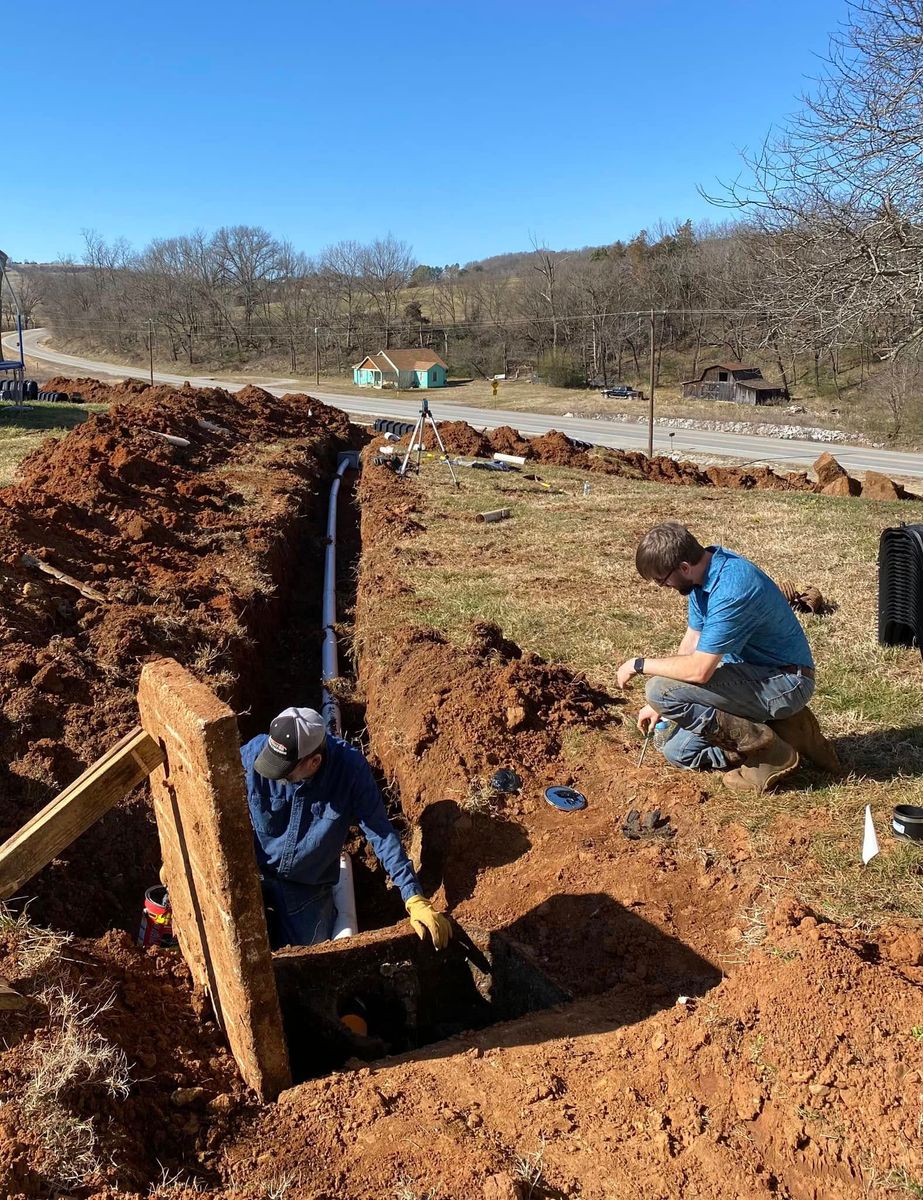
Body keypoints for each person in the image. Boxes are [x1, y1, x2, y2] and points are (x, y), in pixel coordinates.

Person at [615, 522, 839, 794]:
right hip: (750, 676)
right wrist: (659, 705)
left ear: (683, 567)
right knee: (679, 752)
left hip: (786, 680)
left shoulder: (731, 588)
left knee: (657, 688)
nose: (665, 586)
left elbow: (699, 670)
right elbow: (692, 641)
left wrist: (639, 665)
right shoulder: (701, 578)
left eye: (663, 581)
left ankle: (769, 753)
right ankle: (790, 730)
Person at [241, 706, 452, 951]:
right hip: (254, 873)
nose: (275, 775)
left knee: (311, 956)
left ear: (314, 762)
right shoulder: (254, 753)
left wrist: (413, 896)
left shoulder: (350, 771)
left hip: (306, 884)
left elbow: (381, 833)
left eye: (285, 773)